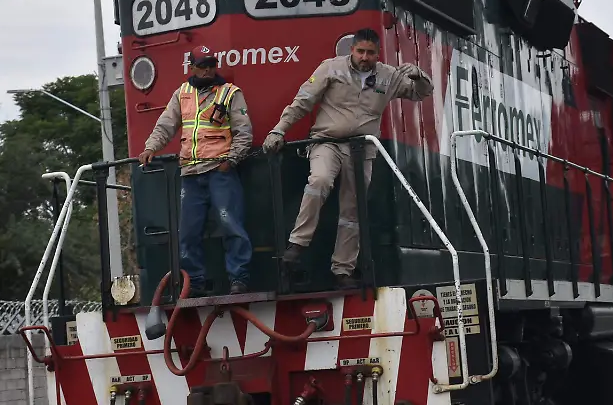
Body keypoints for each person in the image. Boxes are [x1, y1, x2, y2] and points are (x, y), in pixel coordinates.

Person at [262, 28, 433, 289]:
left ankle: (343, 269)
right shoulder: (330, 68)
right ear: (352, 50)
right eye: (360, 51)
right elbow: (302, 103)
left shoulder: (389, 76)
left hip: (362, 149)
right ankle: (296, 245)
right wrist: (278, 130)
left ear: (378, 54)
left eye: (371, 53)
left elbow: (422, 93)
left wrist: (418, 75)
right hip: (326, 142)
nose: (365, 57)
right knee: (319, 181)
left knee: (353, 208)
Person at [138, 45, 253, 295]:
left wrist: (230, 161)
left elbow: (244, 132)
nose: (207, 70)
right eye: (202, 66)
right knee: (188, 233)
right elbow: (165, 124)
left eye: (211, 64)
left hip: (220, 171)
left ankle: (239, 279)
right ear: (192, 68)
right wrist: (150, 148)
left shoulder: (230, 93)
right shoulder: (182, 93)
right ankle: (195, 283)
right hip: (190, 174)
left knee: (231, 225)